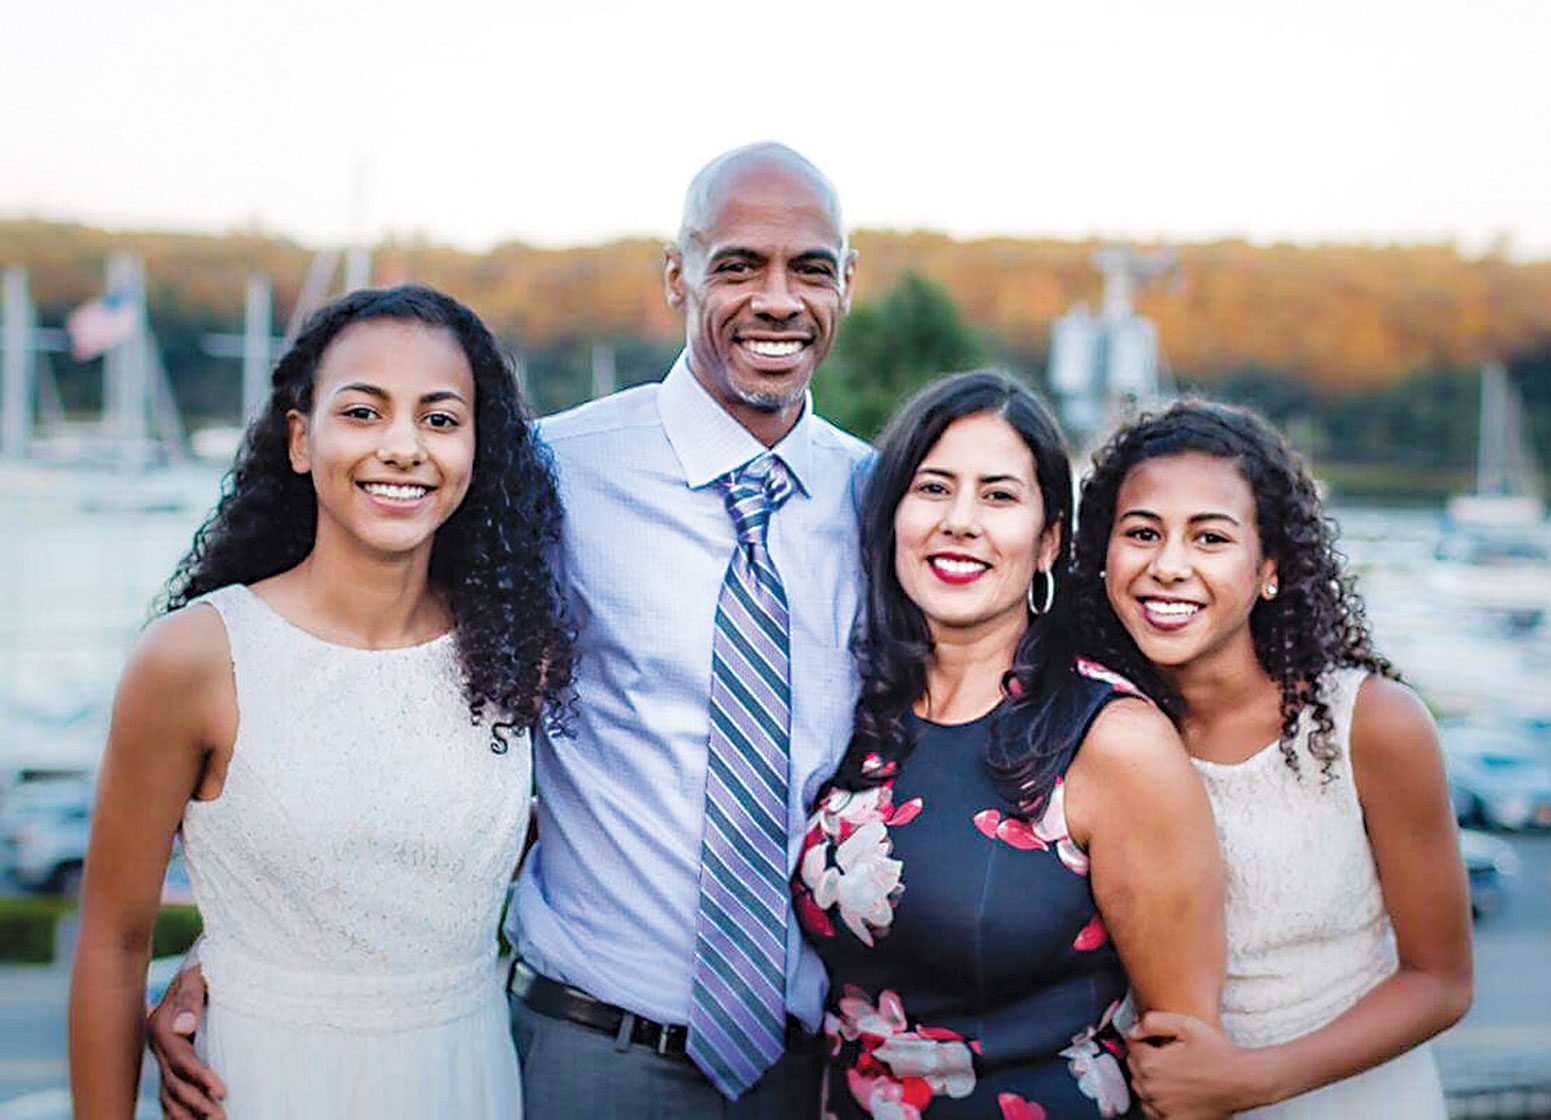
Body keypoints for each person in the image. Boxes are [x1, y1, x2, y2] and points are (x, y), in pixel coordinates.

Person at [71, 285, 574, 1119]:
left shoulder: (515, 652)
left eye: (440, 419)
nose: (404, 447)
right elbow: (112, 945)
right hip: (265, 1084)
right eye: (364, 412)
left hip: (466, 1078)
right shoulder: (197, 658)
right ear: (302, 440)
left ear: (479, 451)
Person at [795, 370, 1226, 1118]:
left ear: (1047, 541)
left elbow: (1186, 1066)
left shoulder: (1113, 742)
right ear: (890, 517)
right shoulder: (851, 711)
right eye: (932, 489)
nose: (960, 521)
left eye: (998, 495)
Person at [1070, 401, 1472, 1118]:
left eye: (1209, 538)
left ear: (1268, 569)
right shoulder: (1086, 726)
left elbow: (1440, 981)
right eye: (1141, 533)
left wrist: (1250, 1081)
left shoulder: (1370, 725)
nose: (1168, 566)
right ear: (1101, 556)